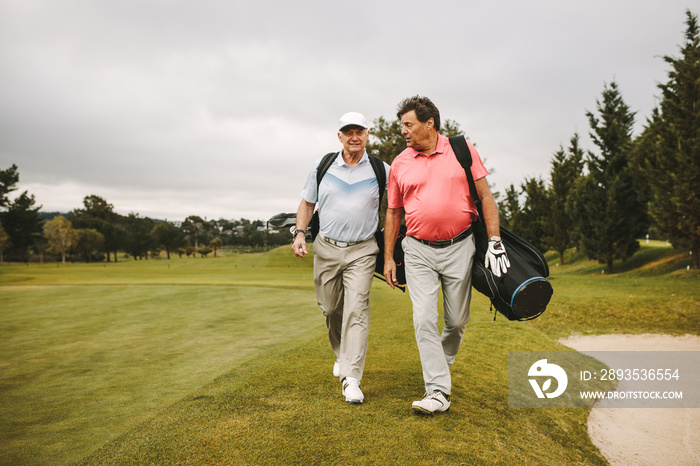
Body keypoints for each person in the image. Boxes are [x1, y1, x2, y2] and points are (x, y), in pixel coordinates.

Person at [382, 96, 509, 414]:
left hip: (460, 248)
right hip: (417, 250)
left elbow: (486, 196)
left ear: (429, 124)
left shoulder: (462, 150)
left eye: (408, 125)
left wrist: (495, 241)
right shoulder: (399, 163)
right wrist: (387, 258)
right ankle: (437, 391)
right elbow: (393, 213)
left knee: (456, 321)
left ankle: (438, 363)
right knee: (423, 318)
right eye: (402, 126)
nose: (404, 131)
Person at [292, 112, 390, 405]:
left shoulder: (379, 168)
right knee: (330, 308)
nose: (354, 136)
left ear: (367, 134)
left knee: (356, 311)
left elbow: (396, 205)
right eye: (348, 131)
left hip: (363, 250)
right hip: (326, 248)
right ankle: (340, 354)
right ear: (340, 136)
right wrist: (299, 233)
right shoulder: (323, 166)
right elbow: (308, 203)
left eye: (358, 130)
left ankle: (351, 379)